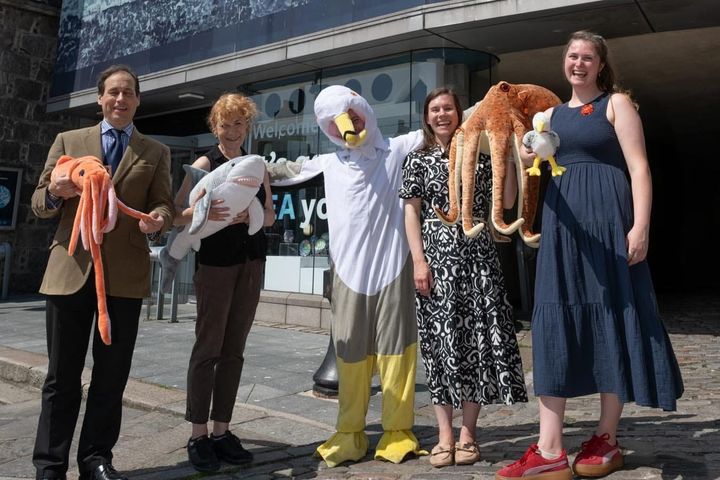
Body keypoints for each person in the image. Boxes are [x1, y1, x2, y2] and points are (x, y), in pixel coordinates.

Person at [496, 31, 684, 480]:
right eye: (572, 56)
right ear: (564, 63)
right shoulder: (549, 116)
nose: (578, 63)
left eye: (587, 57)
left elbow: (639, 167)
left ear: (600, 65)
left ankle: (606, 436)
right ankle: (550, 448)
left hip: (607, 225)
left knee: (611, 315)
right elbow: (517, 181)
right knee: (553, 318)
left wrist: (640, 226)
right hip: (563, 230)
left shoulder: (616, 105)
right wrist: (513, 150)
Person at [268, 85, 425, 467]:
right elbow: (275, 170)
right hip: (348, 272)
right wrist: (223, 165)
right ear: (328, 130)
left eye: (354, 116)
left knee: (397, 350)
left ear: (366, 111)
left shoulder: (400, 148)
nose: (350, 127)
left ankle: (397, 430)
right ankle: (349, 432)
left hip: (393, 265)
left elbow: (449, 124)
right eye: (339, 123)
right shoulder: (327, 162)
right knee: (350, 353)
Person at [31, 65, 174, 480]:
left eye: (128, 93)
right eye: (113, 92)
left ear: (138, 100)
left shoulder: (155, 151)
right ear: (100, 98)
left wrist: (158, 220)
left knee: (112, 376)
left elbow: (163, 204)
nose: (120, 99)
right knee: (61, 376)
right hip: (70, 270)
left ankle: (96, 458)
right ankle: (50, 465)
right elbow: (39, 202)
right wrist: (57, 192)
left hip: (125, 277)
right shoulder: (69, 141)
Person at [399, 88, 528, 468]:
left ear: (459, 114)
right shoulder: (417, 160)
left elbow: (504, 203)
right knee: (440, 347)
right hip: (437, 260)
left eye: (448, 108)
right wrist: (418, 262)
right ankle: (443, 435)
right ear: (427, 117)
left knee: (476, 343)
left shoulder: (483, 154)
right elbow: (411, 213)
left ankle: (469, 433)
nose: (442, 115)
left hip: (479, 258)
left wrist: (512, 160)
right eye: (435, 110)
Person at [174, 93, 275, 473]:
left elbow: (267, 218)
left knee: (234, 350)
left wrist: (252, 215)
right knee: (208, 347)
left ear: (247, 126)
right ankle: (198, 434)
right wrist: (207, 212)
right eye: (225, 123)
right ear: (214, 126)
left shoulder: (257, 165)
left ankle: (222, 431)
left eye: (239, 123)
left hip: (251, 262)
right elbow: (177, 214)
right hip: (215, 265)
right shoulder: (204, 162)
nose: (232, 131)